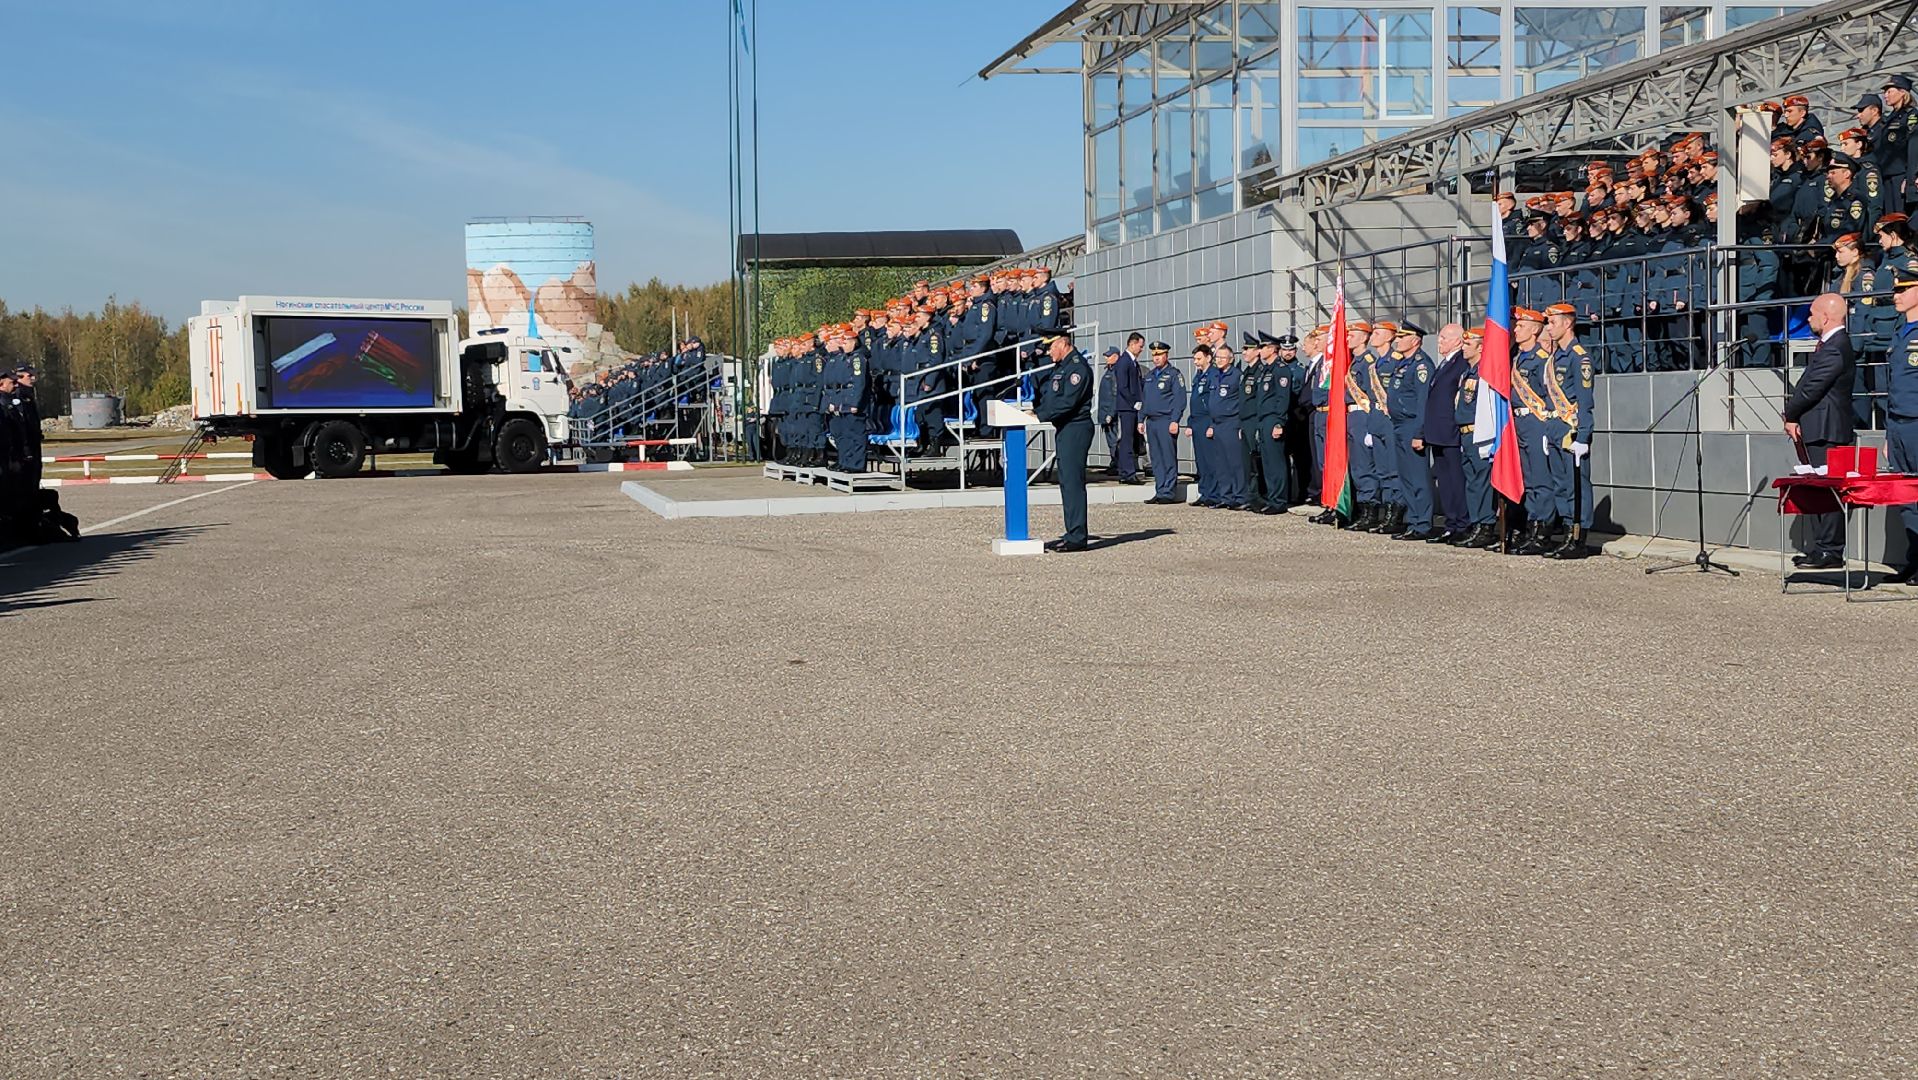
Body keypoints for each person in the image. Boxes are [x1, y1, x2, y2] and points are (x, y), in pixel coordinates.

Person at [1782, 293, 1857, 570]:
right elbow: (1808, 382)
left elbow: (1814, 387)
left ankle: (1830, 550)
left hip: (1829, 429)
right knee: (1817, 489)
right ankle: (1821, 548)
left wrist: (1791, 413)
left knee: (1829, 490)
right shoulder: (1827, 345)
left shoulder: (1836, 347)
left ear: (1826, 317)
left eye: (1812, 314)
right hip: (1818, 426)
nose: (1810, 319)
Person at [1541, 302, 1596, 559]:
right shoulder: (1555, 358)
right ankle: (1565, 534)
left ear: (1567, 323)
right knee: (1560, 485)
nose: (1549, 328)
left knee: (1577, 486)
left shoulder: (1579, 356)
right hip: (1554, 428)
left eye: (1552, 323)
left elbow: (1585, 401)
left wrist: (1584, 436)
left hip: (1571, 430)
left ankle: (1578, 538)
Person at [1033, 330, 1094, 552]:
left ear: (1062, 343)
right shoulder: (1062, 367)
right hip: (1065, 428)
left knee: (1073, 483)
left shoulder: (1077, 368)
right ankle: (1072, 533)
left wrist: (1040, 416)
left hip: (1075, 428)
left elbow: (1068, 402)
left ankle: (1077, 537)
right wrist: (1036, 410)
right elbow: (1052, 397)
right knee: (1067, 483)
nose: (1048, 352)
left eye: (1051, 347)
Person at [1509, 307, 1559, 554]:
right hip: (1520, 423)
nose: (1515, 329)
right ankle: (1532, 526)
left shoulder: (1542, 360)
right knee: (1529, 480)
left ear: (1534, 329)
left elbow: (1550, 396)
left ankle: (1543, 531)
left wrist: (1547, 428)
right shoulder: (1518, 359)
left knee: (1541, 480)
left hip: (1536, 422)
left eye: (1520, 326)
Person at [1386, 323, 1438, 540]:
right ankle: (1413, 519)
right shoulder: (1402, 364)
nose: (1397, 341)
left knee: (1418, 477)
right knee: (1405, 476)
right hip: (1398, 425)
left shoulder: (1421, 366)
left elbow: (1423, 403)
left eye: (1402, 337)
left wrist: (1419, 433)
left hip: (1411, 426)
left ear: (1415, 340)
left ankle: (1423, 523)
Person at [1422, 324, 1471, 543]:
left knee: (1456, 480)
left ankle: (1462, 523)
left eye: (1444, 338)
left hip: (1451, 432)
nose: (1439, 341)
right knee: (1445, 480)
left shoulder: (1461, 363)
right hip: (1438, 432)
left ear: (1458, 341)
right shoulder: (1444, 363)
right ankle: (1451, 523)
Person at [1456, 329, 1499, 548]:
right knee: (1472, 482)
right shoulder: (1469, 371)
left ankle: (1486, 525)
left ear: (1481, 347)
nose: (1463, 347)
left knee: (1482, 482)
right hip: (1466, 433)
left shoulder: (1485, 372)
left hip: (1479, 433)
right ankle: (1477, 523)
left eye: (1468, 344)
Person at [1138, 341, 1185, 504]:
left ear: (1166, 355)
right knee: (1156, 458)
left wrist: (1175, 420)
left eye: (1159, 355)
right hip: (1152, 422)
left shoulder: (1173, 374)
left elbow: (1179, 399)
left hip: (1166, 420)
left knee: (1167, 456)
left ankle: (1168, 492)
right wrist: (1140, 419)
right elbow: (1145, 400)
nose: (1156, 358)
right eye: (1154, 355)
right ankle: (1160, 489)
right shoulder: (1150, 376)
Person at [1254, 332, 1293, 514]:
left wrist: (1279, 422)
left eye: (1263, 347)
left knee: (1276, 462)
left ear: (1271, 349)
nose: (1260, 350)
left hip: (1273, 418)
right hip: (1263, 419)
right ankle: (1272, 497)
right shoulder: (1266, 370)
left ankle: (1279, 500)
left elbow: (1282, 398)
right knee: (1267, 462)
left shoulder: (1280, 369)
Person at [1207, 343, 1248, 510]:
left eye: (1222, 358)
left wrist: (1240, 425)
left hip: (1231, 422)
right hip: (1217, 423)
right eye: (1217, 357)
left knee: (1235, 462)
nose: (1219, 360)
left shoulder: (1236, 375)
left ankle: (1240, 496)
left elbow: (1242, 402)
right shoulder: (1215, 375)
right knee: (1221, 463)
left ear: (1230, 359)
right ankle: (1226, 496)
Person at [1098, 340, 1143, 483]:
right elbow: (1121, 389)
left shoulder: (1127, 362)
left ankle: (1126, 471)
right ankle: (1127, 472)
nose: (1141, 349)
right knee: (1126, 442)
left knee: (1126, 441)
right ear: (1132, 344)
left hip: (1123, 408)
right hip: (1126, 407)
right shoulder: (1125, 362)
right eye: (1140, 346)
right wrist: (1133, 402)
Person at [1187, 342, 1217, 506]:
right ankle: (1204, 492)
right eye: (1194, 359)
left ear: (1208, 358)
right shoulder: (1198, 376)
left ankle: (1213, 493)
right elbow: (1194, 401)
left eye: (1198, 359)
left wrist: (1212, 424)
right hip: (1197, 421)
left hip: (1207, 420)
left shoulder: (1212, 375)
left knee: (1210, 459)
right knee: (1201, 460)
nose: (1196, 362)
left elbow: (1212, 401)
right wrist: (1190, 423)